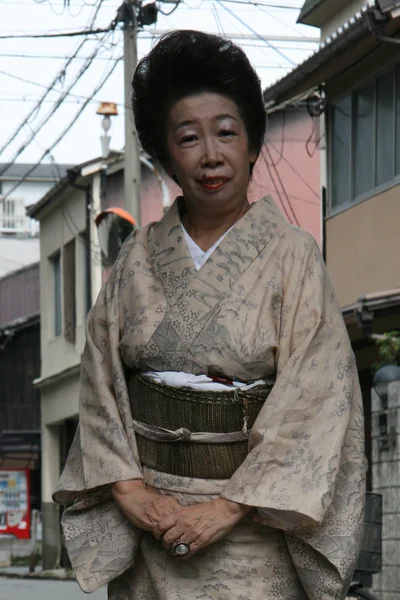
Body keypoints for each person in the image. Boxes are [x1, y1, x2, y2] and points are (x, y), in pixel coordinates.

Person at [53, 30, 367, 600]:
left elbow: (319, 401)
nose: (210, 155)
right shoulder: (136, 260)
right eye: (188, 138)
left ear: (251, 144)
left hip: (251, 534)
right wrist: (130, 493)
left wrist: (225, 508)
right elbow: (100, 389)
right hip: (151, 529)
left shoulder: (293, 256)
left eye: (226, 132)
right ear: (166, 155)